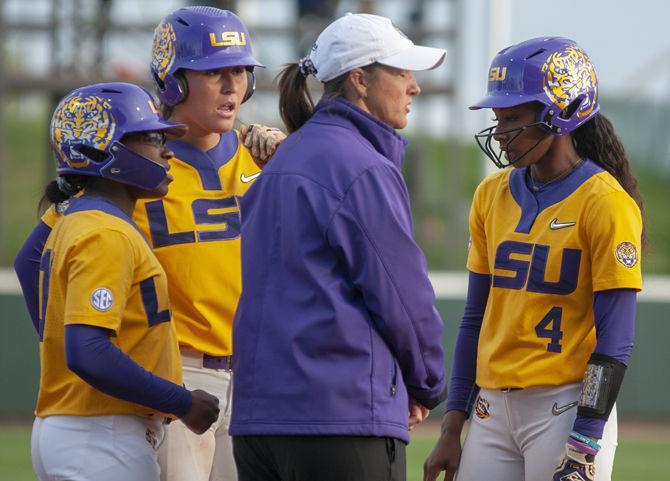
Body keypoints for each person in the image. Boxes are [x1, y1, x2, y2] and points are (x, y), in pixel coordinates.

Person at [14, 7, 284, 481]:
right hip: (176, 371)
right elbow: (33, 257)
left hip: (258, 374)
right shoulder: (132, 162)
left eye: (241, 70)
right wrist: (79, 350)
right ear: (175, 81)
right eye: (214, 72)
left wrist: (294, 153)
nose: (232, 85)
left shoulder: (263, 155)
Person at [229, 13, 448, 481]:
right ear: (359, 80)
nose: (415, 87)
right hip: (338, 417)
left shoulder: (286, 158)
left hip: (256, 421)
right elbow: (401, 296)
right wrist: (426, 383)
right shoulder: (360, 165)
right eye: (403, 72)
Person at [423, 37, 644, 481]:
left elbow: (615, 340)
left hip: (565, 406)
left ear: (562, 112)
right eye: (498, 118)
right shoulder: (491, 193)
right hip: (491, 409)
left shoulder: (606, 203)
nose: (501, 132)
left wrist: (585, 439)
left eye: (514, 118)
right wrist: (452, 424)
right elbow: (474, 317)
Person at [14, 82, 220, 481]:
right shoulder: (105, 232)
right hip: (101, 433)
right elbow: (88, 352)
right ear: (103, 149)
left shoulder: (79, 220)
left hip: (85, 428)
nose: (167, 151)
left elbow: (28, 263)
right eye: (151, 138)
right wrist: (181, 402)